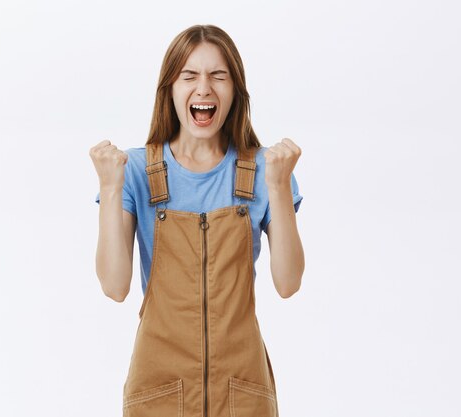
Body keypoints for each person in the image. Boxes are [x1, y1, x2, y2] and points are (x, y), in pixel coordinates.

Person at [89, 24, 304, 417]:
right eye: (189, 76)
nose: (203, 88)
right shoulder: (135, 170)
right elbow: (114, 286)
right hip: (158, 392)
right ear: (169, 89)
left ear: (235, 90)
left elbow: (289, 283)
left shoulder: (266, 170)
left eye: (218, 76)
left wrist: (278, 186)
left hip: (243, 393)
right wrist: (111, 188)